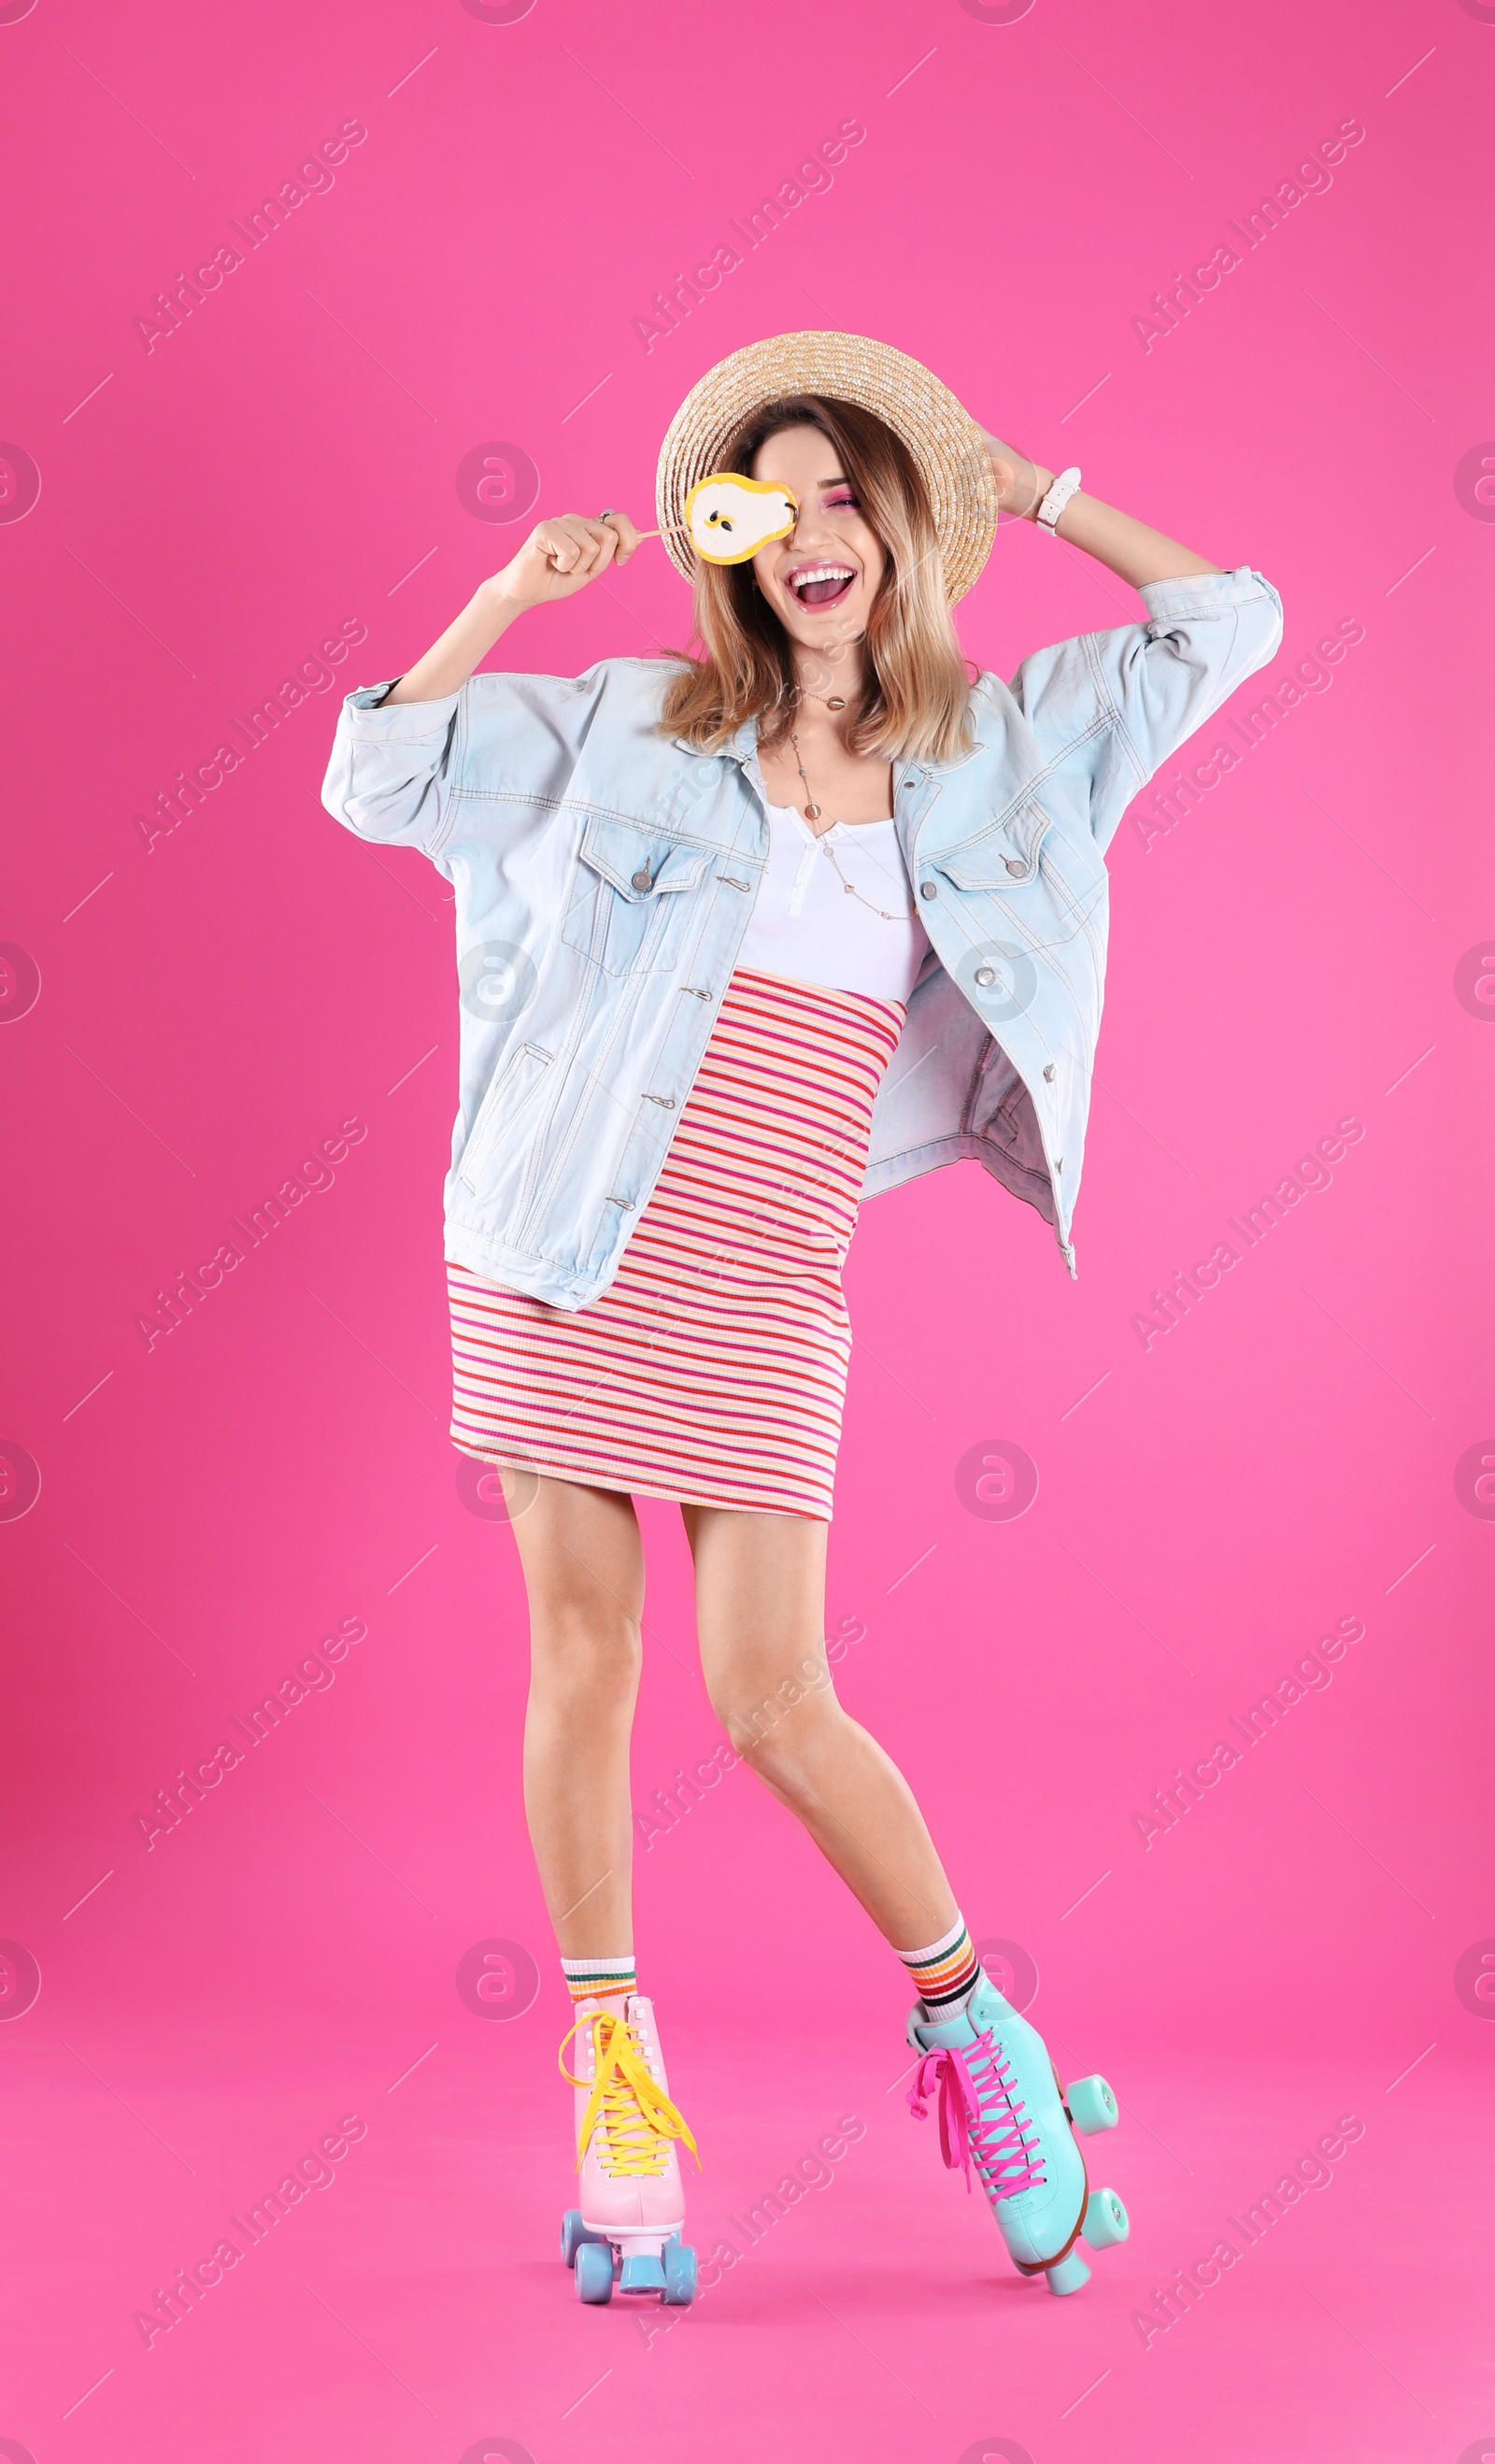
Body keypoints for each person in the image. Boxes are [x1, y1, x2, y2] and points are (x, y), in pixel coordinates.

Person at [321, 331, 1283, 2309]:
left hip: (761, 1274)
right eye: (770, 502)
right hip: (559, 1242)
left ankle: (970, 2030)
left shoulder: (1000, 746)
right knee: (582, 1660)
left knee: (770, 1698)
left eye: (850, 489)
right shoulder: (628, 721)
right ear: (729, 546)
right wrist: (510, 595)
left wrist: (1033, 486)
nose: (813, 531)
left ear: (899, 524)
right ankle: (614, 2089)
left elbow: (1225, 623)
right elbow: (378, 774)